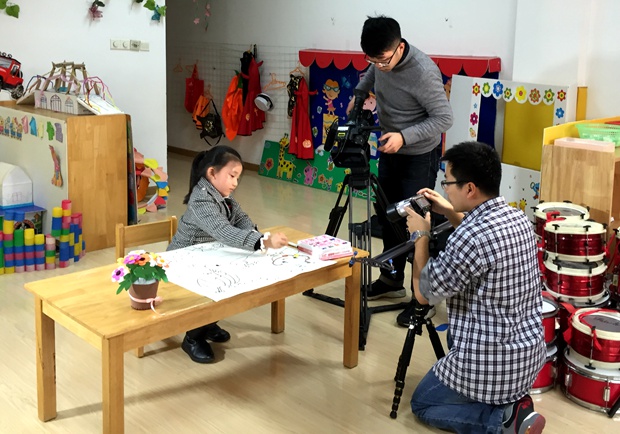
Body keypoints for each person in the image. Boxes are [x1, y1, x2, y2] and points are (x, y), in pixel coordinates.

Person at [405, 141, 546, 433]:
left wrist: (420, 236)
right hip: (529, 356)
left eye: (447, 182)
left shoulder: (469, 237)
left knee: (422, 403)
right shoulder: (518, 218)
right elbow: (479, 244)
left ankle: (503, 421)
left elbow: (423, 294)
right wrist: (450, 211)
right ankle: (512, 403)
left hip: (493, 365)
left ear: (469, 189)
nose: (445, 189)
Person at [348, 16, 453, 323]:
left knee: (417, 225)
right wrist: (358, 95)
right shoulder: (380, 61)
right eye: (371, 59)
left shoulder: (423, 72)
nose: (378, 66)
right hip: (390, 148)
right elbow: (372, 73)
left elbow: (444, 118)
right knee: (388, 216)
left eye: (383, 60)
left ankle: (425, 298)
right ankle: (392, 280)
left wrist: (404, 137)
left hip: (419, 154)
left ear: (400, 47)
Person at [168, 146, 288, 364]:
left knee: (231, 276)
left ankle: (208, 323)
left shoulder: (223, 196)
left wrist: (257, 235)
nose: (235, 183)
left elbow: (241, 219)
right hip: (182, 260)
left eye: (237, 178)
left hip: (207, 256)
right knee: (216, 282)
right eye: (232, 176)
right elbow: (223, 231)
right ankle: (193, 337)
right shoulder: (201, 199)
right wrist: (263, 241)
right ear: (212, 173)